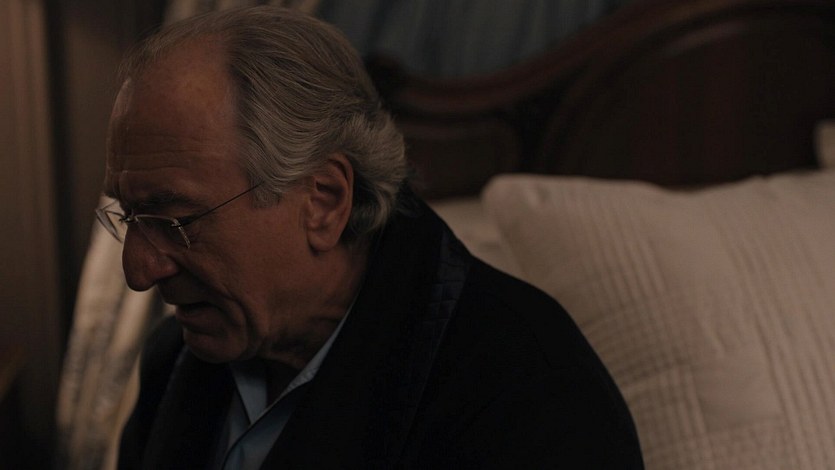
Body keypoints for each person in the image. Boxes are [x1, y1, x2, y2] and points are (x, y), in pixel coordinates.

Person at [99, 6, 643, 469]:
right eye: (129, 217)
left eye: (176, 221)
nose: (139, 270)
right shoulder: (177, 360)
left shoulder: (530, 395)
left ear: (325, 201)